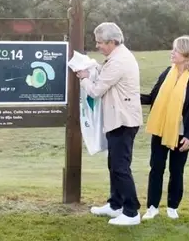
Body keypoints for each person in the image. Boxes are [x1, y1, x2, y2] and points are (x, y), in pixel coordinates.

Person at [77, 22, 143, 226]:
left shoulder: (118, 61)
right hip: (118, 120)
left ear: (112, 42)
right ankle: (116, 205)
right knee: (113, 164)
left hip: (124, 121)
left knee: (120, 167)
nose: (98, 46)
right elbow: (104, 71)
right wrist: (94, 67)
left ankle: (131, 212)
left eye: (100, 43)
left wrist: (83, 78)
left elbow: (96, 90)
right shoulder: (115, 57)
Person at [140, 36, 189, 221]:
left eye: (176, 50)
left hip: (181, 134)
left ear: (187, 55)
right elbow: (152, 98)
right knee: (156, 168)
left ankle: (172, 207)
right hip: (160, 129)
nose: (172, 53)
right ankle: (152, 207)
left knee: (176, 171)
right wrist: (128, 95)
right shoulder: (166, 73)